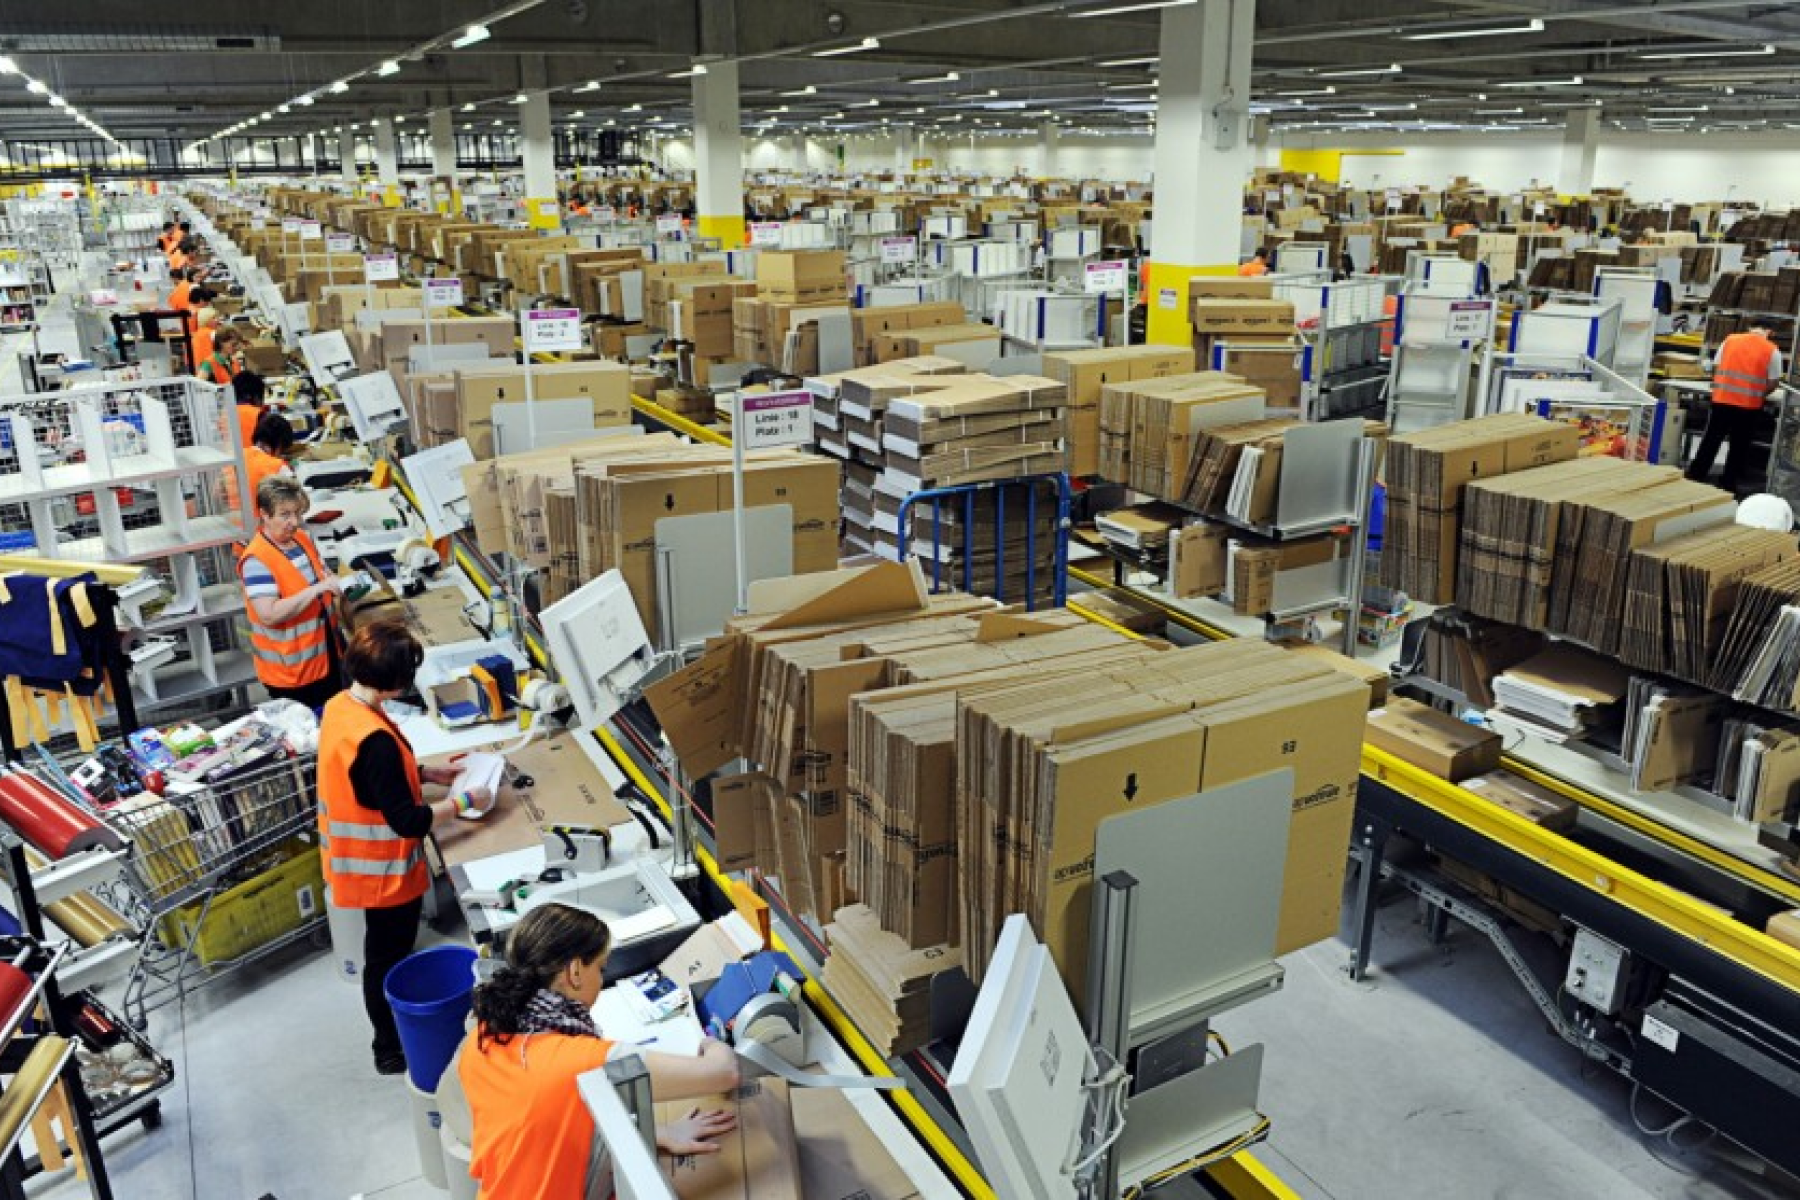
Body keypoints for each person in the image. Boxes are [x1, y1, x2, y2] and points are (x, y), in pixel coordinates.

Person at [457, 904, 741, 1194]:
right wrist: (711, 1041)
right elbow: (724, 1073)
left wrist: (656, 1132)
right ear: (575, 971)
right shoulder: (586, 1064)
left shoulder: (481, 1037)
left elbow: (541, 1126)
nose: (602, 979)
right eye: (601, 968)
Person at [319, 620, 495, 1075]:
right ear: (395, 682)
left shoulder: (343, 706)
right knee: (386, 959)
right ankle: (389, 1047)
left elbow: (374, 781)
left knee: (383, 954)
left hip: (355, 865)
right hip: (383, 874)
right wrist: (463, 802)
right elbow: (409, 821)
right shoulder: (373, 740)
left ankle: (388, 1040)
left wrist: (426, 774)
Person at [238, 475, 343, 710]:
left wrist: (336, 584)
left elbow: (322, 575)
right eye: (285, 515)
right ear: (265, 514)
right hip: (291, 673)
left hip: (324, 658)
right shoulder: (257, 560)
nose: (294, 522)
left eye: (297, 513)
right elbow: (269, 614)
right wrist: (318, 588)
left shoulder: (302, 540)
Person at [1688, 322, 1784, 494]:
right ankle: (1728, 482)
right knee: (1739, 445)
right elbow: (1773, 382)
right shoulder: (1772, 350)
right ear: (1769, 331)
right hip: (1748, 405)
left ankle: (1696, 475)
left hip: (1722, 399)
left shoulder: (1730, 340)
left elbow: (1716, 368)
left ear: (1750, 328)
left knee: (1711, 439)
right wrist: (1758, 393)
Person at [246, 411, 296, 505]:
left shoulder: (235, 459)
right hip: (262, 519)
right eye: (282, 450)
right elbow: (298, 501)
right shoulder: (278, 467)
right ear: (279, 444)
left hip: (233, 518)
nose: (280, 455)